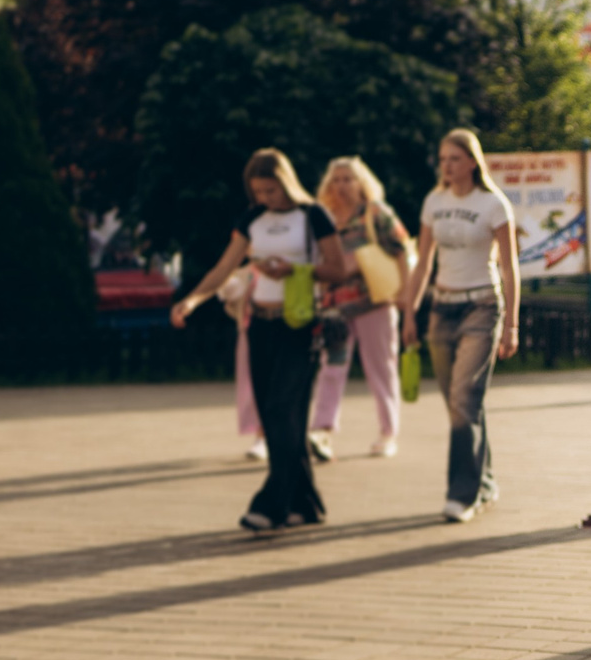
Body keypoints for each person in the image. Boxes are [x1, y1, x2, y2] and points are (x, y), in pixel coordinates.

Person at [169, 148, 354, 532]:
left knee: (282, 410)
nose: (265, 198)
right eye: (258, 191)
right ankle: (306, 505)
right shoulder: (252, 218)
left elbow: (338, 268)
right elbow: (225, 267)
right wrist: (193, 300)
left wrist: (295, 270)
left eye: (271, 190)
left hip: (300, 325)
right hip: (261, 325)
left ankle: (271, 504)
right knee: (279, 418)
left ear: (285, 182)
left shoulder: (312, 216)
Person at [398, 130, 519, 524]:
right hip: (441, 308)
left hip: (481, 307)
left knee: (463, 400)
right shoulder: (434, 201)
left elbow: (508, 267)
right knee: (460, 404)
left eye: (453, 158)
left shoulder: (492, 204)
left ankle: (462, 494)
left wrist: (511, 325)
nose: (446, 165)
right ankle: (485, 483)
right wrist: (409, 314)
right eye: (442, 158)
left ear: (471, 161)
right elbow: (423, 261)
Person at [311, 156, 416, 460]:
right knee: (332, 367)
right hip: (336, 310)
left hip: (375, 304)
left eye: (348, 179)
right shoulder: (325, 217)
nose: (342, 185)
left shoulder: (375, 213)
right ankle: (323, 431)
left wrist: (405, 294)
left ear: (361, 182)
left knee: (380, 369)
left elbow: (402, 250)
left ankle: (388, 432)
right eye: (336, 179)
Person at [221, 266, 268, 461]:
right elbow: (228, 296)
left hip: (284, 330)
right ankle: (261, 436)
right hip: (249, 332)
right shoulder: (243, 273)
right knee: (253, 386)